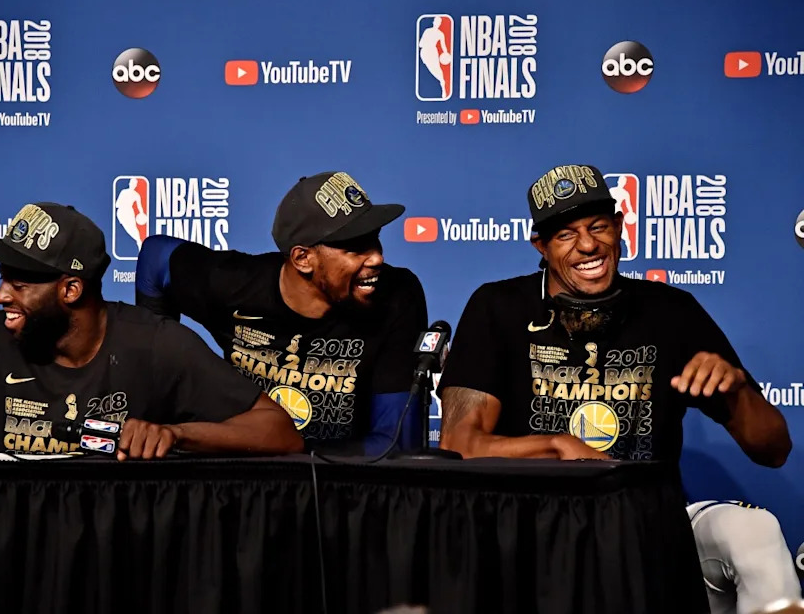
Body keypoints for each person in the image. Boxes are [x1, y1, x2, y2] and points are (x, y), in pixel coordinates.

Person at [436, 164, 795, 614]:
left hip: (647, 528)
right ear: (541, 246)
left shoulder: (671, 311)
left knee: (755, 531)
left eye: (598, 226)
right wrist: (558, 447)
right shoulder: (498, 308)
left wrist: (735, 391)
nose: (588, 245)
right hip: (534, 527)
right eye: (565, 235)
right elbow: (460, 444)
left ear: (620, 227)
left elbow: (773, 450)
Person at [0, 202, 303, 461]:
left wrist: (175, 434)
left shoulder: (157, 344)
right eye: (3, 279)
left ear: (70, 289)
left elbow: (280, 432)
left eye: (20, 285)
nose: (0, 296)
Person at [135, 171, 428, 455]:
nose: (377, 257)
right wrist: (155, 398)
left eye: (375, 239)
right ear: (303, 258)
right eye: (355, 247)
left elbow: (395, 445)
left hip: (338, 478)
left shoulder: (396, 297)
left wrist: (289, 450)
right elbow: (155, 256)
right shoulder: (233, 285)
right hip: (242, 470)